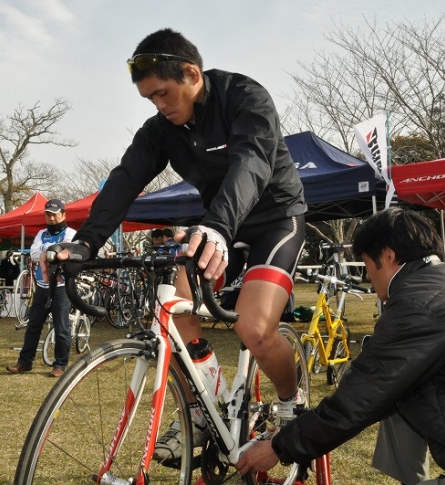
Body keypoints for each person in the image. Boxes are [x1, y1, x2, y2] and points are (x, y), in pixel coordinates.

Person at [50, 28, 307, 460]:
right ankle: (211, 400)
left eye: (164, 93)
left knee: (254, 330)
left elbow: (251, 162)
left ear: (192, 73)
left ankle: (291, 405)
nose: (159, 106)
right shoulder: (161, 129)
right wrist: (86, 244)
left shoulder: (245, 97)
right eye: (150, 99)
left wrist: (219, 227)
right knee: (172, 308)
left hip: (273, 219)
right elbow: (125, 178)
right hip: (218, 223)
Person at [237, 208, 445, 484]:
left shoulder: (417, 308)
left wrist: (279, 447)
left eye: (367, 263)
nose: (367, 276)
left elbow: (360, 398)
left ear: (388, 255)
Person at [6, 199, 77, 378]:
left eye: (54, 214)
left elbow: (63, 251)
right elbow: (35, 254)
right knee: (33, 326)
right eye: (48, 214)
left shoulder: (71, 233)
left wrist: (48, 251)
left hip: (61, 286)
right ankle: (24, 362)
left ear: (63, 214)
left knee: (61, 328)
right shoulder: (41, 233)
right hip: (42, 286)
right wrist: (50, 250)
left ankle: (60, 364)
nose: (51, 218)